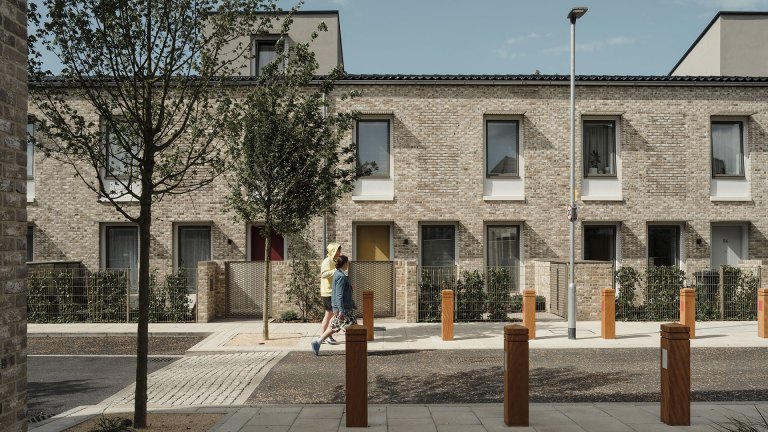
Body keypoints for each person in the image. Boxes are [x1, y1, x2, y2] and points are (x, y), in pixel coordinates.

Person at [312, 255, 356, 355]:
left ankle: (317, 342)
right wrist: (340, 310)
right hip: (344, 309)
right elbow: (339, 294)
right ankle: (354, 349)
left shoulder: (338, 273)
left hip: (344, 307)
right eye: (347, 262)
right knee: (353, 329)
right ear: (344, 263)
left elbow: (341, 292)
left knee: (334, 327)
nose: (348, 264)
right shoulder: (341, 276)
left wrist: (352, 303)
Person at [319, 242, 341, 345]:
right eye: (338, 250)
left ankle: (323, 336)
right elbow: (323, 274)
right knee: (332, 315)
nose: (339, 252)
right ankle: (328, 336)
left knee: (328, 315)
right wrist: (335, 271)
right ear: (333, 251)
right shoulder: (327, 261)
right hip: (328, 292)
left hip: (331, 291)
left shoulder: (334, 261)